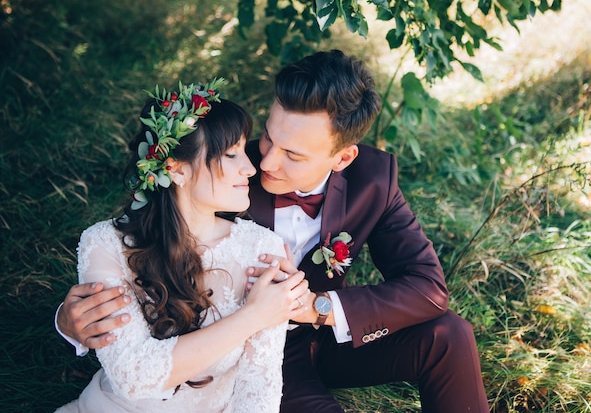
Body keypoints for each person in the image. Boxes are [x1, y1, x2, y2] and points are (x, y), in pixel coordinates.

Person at [57, 50, 490, 413]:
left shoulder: (374, 179)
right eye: (267, 137)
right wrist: (68, 322)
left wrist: (315, 307)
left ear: (342, 158)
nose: (263, 163)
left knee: (449, 334)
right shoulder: (222, 173)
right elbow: (151, 230)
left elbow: (428, 287)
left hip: (327, 334)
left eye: (293, 155)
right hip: (250, 356)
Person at [55, 80, 310, 413]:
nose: (250, 168)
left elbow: (259, 388)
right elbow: (134, 376)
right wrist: (255, 315)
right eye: (231, 154)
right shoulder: (105, 244)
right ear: (175, 168)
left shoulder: (263, 247)